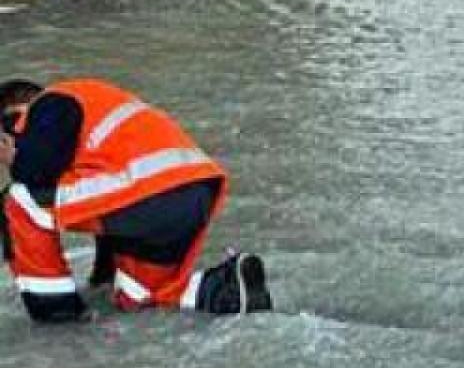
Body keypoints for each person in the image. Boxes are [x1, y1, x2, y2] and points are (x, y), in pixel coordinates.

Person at [1, 78, 270, 323]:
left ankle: (56, 316)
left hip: (151, 193)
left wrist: (16, 159)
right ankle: (225, 288)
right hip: (188, 194)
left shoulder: (49, 104)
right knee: (138, 299)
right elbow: (103, 209)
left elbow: (36, 169)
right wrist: (101, 280)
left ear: (15, 117)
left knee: (18, 199)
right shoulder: (91, 115)